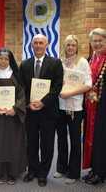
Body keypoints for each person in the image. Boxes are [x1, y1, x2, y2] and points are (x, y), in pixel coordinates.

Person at [19, 34, 63, 187]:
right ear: (32, 45)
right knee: (31, 143)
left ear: (47, 45)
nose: (38, 45)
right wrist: (28, 103)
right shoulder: (25, 64)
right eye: (35, 43)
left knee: (47, 143)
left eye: (41, 43)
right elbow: (21, 87)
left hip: (48, 111)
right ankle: (32, 170)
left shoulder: (55, 63)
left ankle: (43, 173)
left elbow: (57, 87)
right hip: (30, 110)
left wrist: (43, 102)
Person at [54, 35, 92, 184]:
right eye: (68, 45)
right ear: (64, 46)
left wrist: (69, 93)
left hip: (75, 108)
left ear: (77, 47)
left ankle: (74, 173)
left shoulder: (82, 62)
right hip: (60, 106)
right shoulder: (60, 61)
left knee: (75, 141)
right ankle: (61, 168)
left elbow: (88, 85)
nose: (70, 48)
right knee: (61, 138)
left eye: (73, 45)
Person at [0, 48, 27, 185]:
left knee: (13, 144)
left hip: (13, 118)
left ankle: (12, 173)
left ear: (10, 61)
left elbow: (22, 94)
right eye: (1, 58)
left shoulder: (16, 75)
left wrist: (15, 109)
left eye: (6, 59)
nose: (3, 61)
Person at [83, 28, 106, 185]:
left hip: (103, 106)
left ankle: (100, 172)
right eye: (94, 41)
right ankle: (94, 168)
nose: (97, 44)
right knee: (91, 137)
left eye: (100, 41)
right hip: (91, 106)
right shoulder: (91, 58)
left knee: (101, 138)